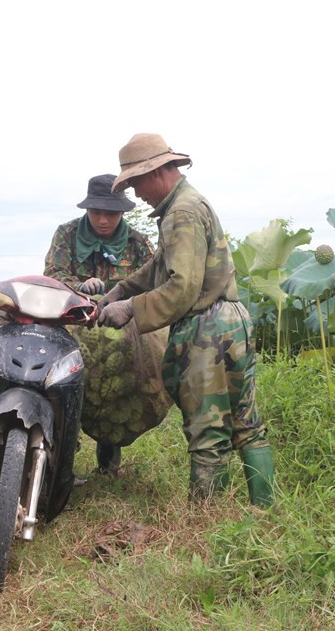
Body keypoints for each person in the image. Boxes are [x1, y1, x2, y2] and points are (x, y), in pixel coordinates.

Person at [96, 133, 275, 508]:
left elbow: (182, 287)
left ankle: (205, 522)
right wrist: (121, 290)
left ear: (158, 172)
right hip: (231, 321)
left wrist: (129, 309)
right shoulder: (187, 204)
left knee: (208, 431)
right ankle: (265, 511)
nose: (136, 194)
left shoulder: (181, 212)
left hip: (208, 329)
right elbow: (161, 266)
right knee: (246, 423)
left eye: (136, 183)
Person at [44, 173, 155, 474]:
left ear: (122, 212)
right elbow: (52, 274)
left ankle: (108, 464)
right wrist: (79, 285)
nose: (103, 220)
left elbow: (155, 281)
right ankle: (58, 457)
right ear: (87, 210)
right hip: (71, 327)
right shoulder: (66, 235)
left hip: (120, 334)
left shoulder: (138, 243)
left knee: (113, 390)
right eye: (97, 213)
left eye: (111, 213)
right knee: (61, 385)